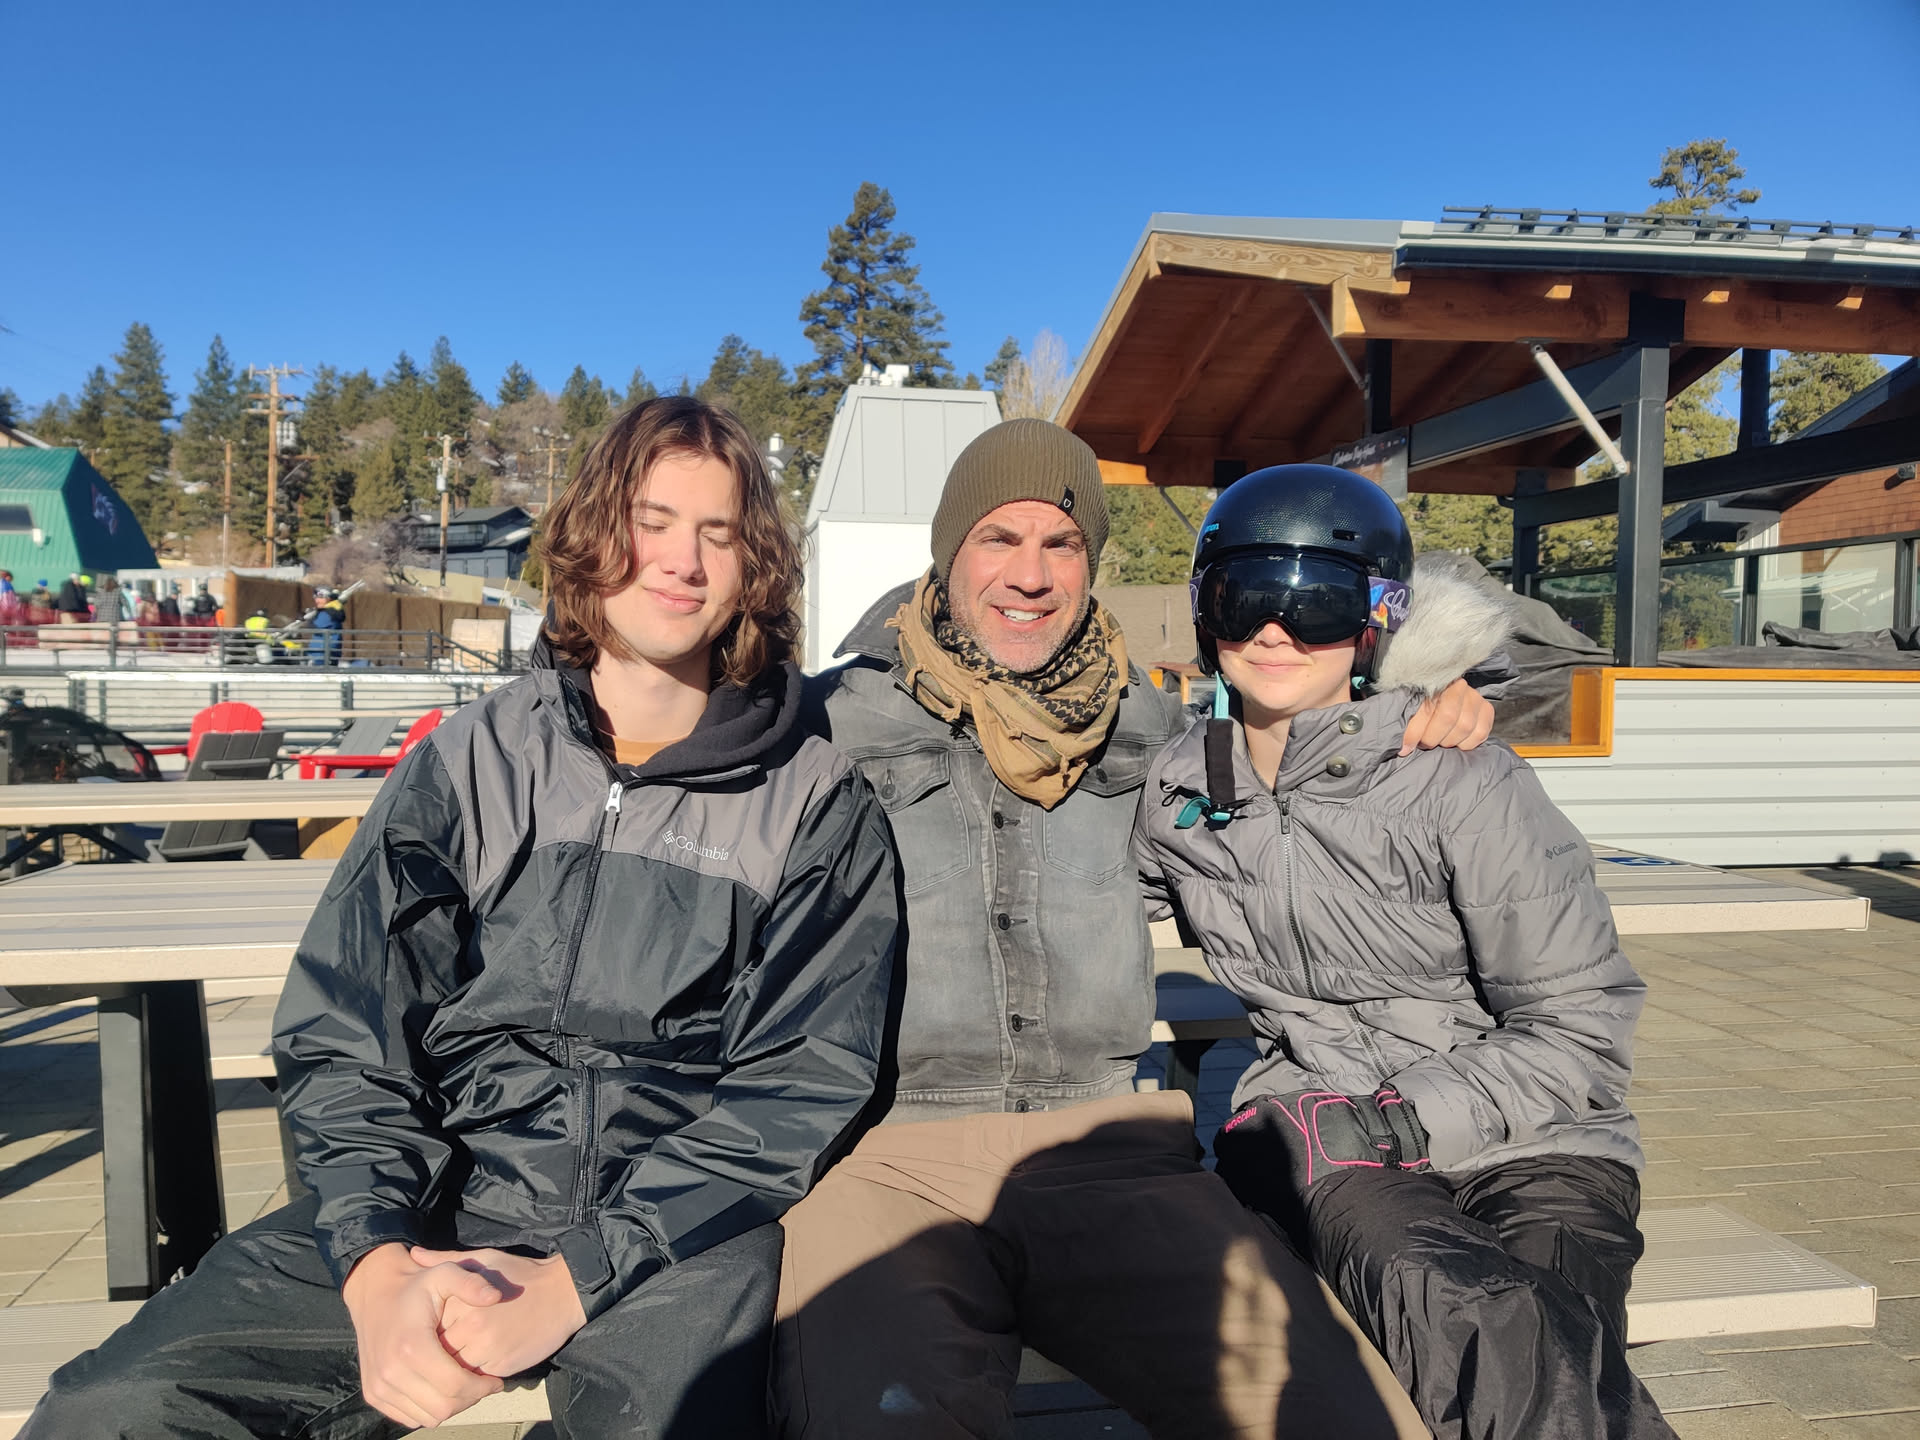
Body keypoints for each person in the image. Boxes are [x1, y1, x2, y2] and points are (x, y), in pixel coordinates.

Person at [25, 395, 903, 1439]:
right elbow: (350, 1027)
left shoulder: (813, 800)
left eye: (718, 533)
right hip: (445, 1187)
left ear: (752, 565)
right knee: (109, 1409)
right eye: (652, 521)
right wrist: (375, 1260)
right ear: (593, 535)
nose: (683, 560)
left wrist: (578, 1278)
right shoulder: (471, 758)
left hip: (675, 1225)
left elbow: (796, 1086)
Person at [776, 420, 1493, 1439]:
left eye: (1061, 544)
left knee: (1345, 1418)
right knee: (879, 1421)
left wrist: (1423, 701)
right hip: (886, 1155)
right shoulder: (824, 722)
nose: (1031, 575)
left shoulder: (1159, 731)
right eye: (998, 538)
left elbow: (1306, 787)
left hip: (1109, 1150)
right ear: (949, 551)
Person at [1132, 465, 1672, 1440]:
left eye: (1318, 603)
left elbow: (1580, 1028)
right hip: (1330, 1141)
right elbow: (1053, 887)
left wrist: (1399, 1121)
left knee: (1547, 1329)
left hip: (1540, 1143)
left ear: (1378, 617)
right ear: (1207, 610)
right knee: (1456, 1305)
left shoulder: (1461, 779)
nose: (1274, 631)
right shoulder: (1179, 794)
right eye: (1244, 597)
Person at [308, 584, 344, 666]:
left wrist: (308, 620)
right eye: (316, 598)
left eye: (320, 598)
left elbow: (316, 628)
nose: (317, 601)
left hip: (322, 654)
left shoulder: (327, 613)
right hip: (327, 653)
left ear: (328, 598)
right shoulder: (333, 609)